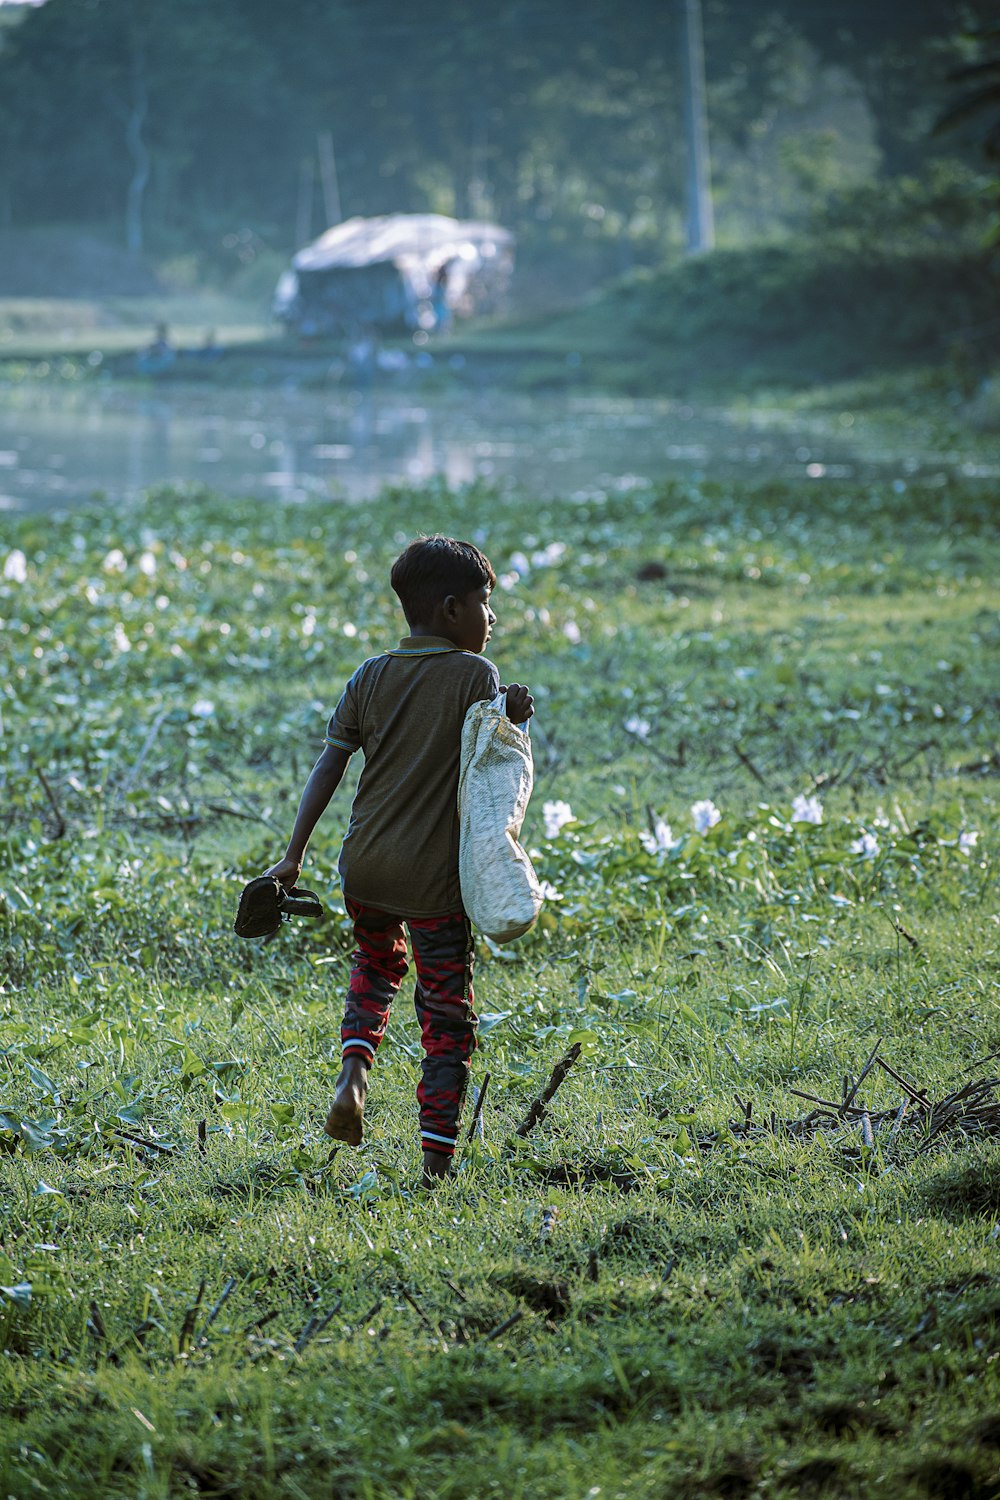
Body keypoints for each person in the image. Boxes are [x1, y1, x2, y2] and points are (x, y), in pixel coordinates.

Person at [264, 536, 534, 1186]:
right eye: (484, 603)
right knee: (446, 1014)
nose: (490, 618)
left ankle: (353, 1078)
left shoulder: (369, 675)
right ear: (449, 609)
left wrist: (293, 855)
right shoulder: (477, 676)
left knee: (375, 967)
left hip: (366, 868)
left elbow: (329, 763)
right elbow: (487, 764)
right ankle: (436, 1164)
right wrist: (514, 714)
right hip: (432, 883)